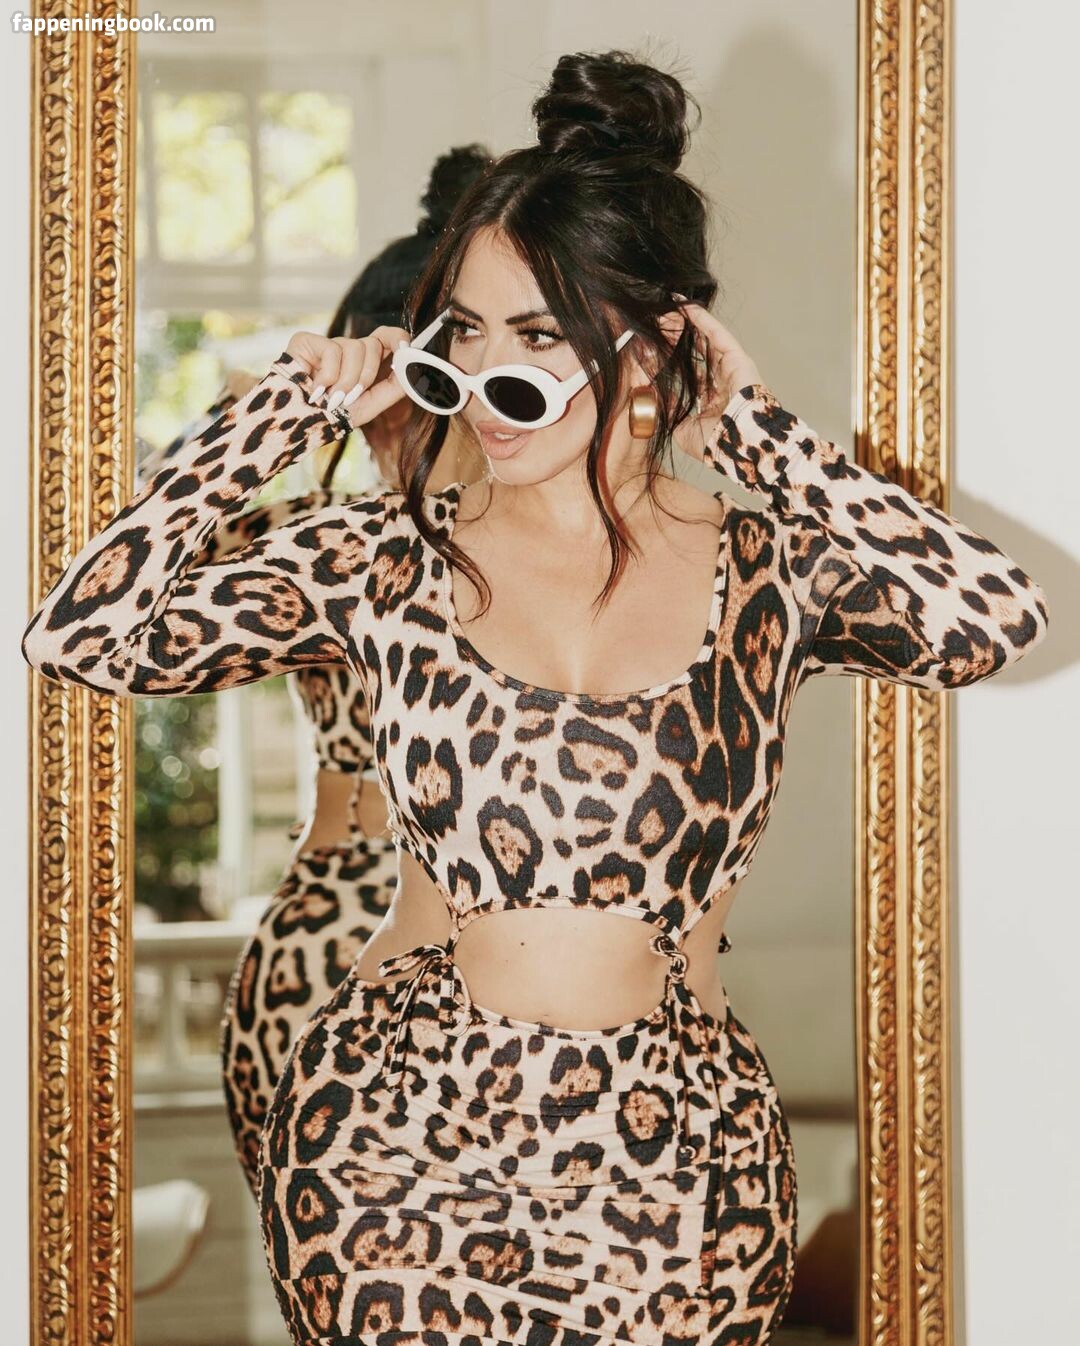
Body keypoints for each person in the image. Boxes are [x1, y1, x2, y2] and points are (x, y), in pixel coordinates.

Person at [21, 48, 1049, 1346]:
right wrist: (276, 418)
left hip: (680, 1170)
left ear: (654, 346)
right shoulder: (383, 557)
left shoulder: (765, 569)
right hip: (397, 1153)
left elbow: (991, 618)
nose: (481, 383)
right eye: (462, 334)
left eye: (536, 338)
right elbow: (81, 633)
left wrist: (762, 437)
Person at [147, 145, 491, 1193]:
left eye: (413, 393)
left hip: (476, 954)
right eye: (370, 396)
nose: (387, 426)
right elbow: (133, 579)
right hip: (315, 930)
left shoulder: (538, 543)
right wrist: (277, 409)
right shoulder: (320, 538)